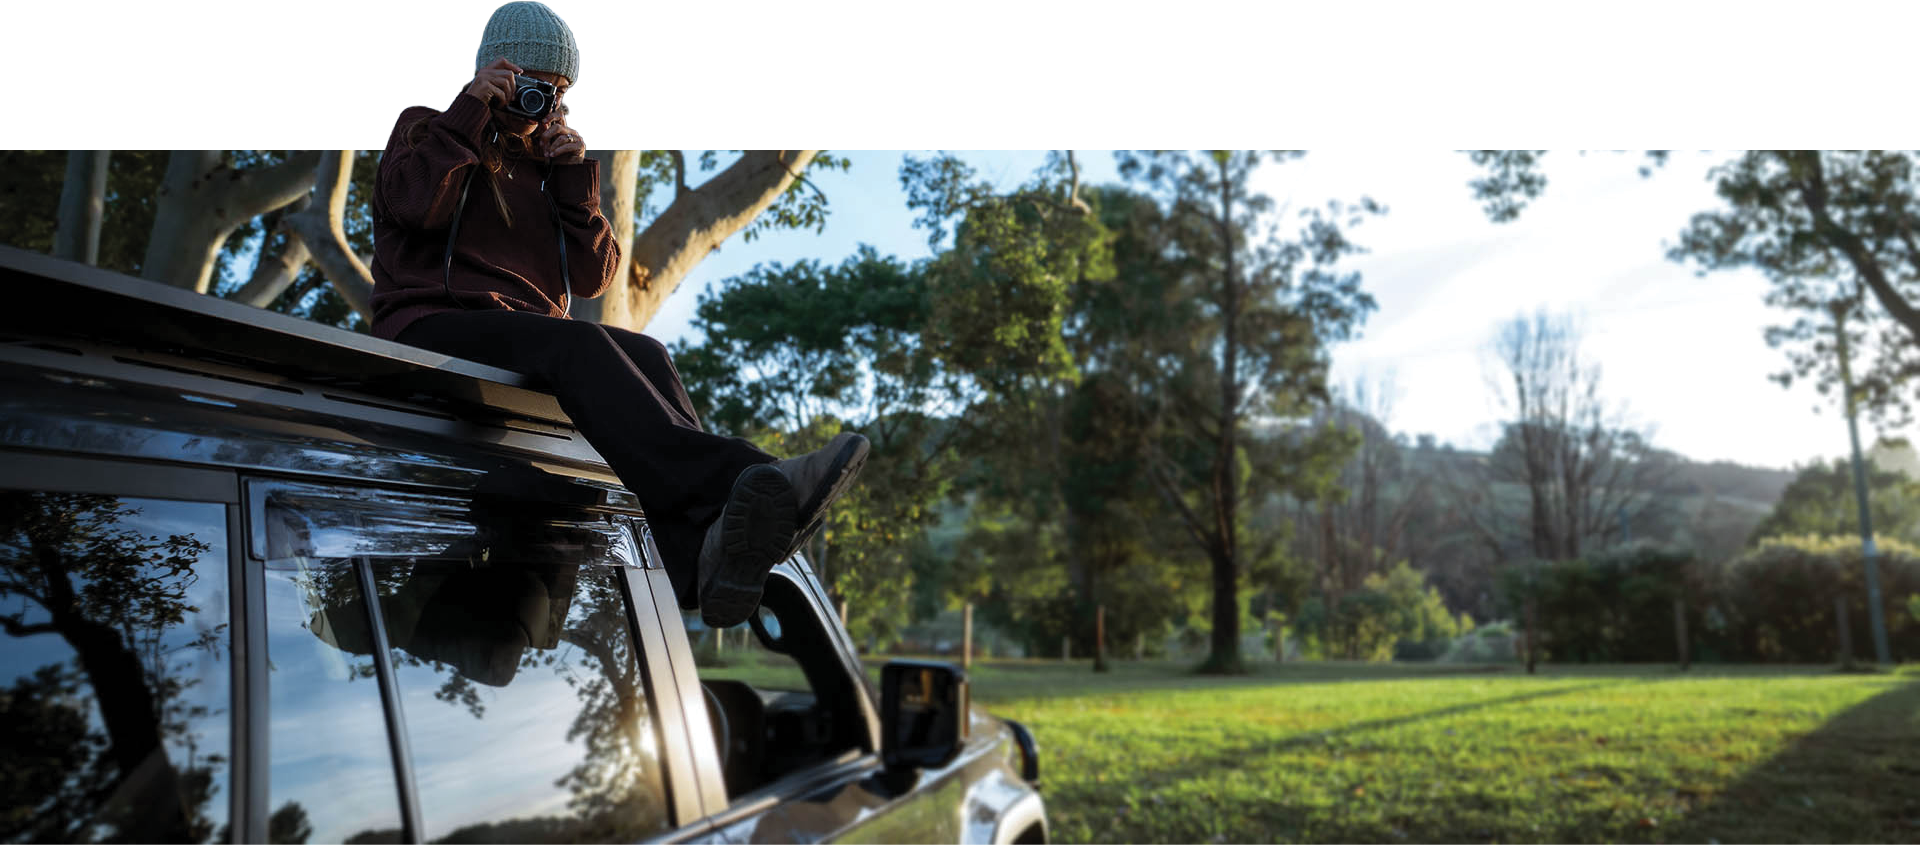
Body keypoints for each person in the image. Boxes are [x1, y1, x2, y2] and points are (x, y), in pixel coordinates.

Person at [368, 0, 866, 628]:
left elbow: (592, 276)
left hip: (523, 340)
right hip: (429, 326)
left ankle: (695, 558)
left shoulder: (551, 167)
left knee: (649, 351)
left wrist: (575, 179)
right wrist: (470, 112)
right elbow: (415, 208)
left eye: (558, 92)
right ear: (494, 70)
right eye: (530, 84)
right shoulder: (428, 128)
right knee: (574, 347)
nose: (543, 102)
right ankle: (752, 482)